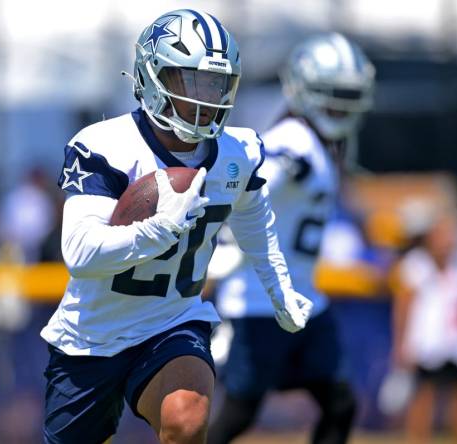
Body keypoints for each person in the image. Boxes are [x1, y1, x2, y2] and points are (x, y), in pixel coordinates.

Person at [40, 9, 313, 444]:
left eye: (216, 84)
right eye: (192, 82)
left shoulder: (237, 151)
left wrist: (278, 287)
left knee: (186, 420)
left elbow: (253, 218)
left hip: (173, 321)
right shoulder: (105, 146)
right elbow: (79, 253)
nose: (206, 97)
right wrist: (156, 231)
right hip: (91, 336)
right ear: (154, 78)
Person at [208, 33, 375, 444]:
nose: (342, 106)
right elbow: (261, 174)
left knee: (341, 403)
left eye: (348, 95)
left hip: (305, 301)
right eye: (333, 94)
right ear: (304, 90)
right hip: (258, 303)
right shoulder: (294, 141)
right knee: (240, 413)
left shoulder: (321, 141)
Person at [392, 208, 457, 444]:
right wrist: (401, 344)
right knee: (423, 397)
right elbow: (402, 307)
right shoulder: (415, 265)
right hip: (425, 343)